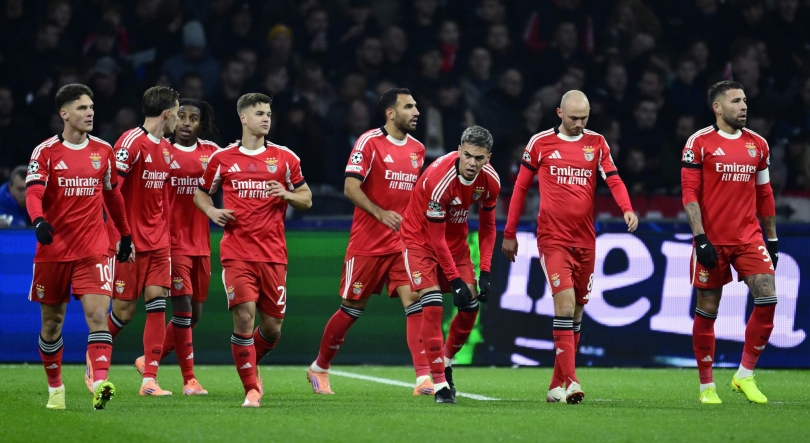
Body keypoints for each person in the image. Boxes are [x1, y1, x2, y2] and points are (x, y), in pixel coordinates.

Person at [502, 90, 637, 405]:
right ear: (559, 113)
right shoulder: (540, 143)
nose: (579, 123)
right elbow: (521, 187)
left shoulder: (597, 143)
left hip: (586, 241)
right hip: (553, 240)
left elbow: (614, 179)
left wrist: (626, 208)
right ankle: (573, 380)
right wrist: (510, 232)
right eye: (573, 118)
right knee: (564, 307)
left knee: (576, 313)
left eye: (584, 118)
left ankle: (554, 386)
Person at [306, 88, 429, 395]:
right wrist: (380, 213)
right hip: (368, 242)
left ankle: (423, 378)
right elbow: (350, 187)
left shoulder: (418, 149)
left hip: (402, 243)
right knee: (351, 308)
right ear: (390, 112)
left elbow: (414, 196)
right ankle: (319, 367)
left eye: (416, 107)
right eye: (409, 107)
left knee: (414, 301)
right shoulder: (369, 142)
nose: (416, 112)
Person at [194, 93, 312, 408]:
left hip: (273, 254)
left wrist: (287, 194)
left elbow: (307, 198)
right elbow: (201, 193)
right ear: (243, 118)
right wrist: (212, 212)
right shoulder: (222, 158)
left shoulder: (286, 158)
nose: (266, 118)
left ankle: (250, 359)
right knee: (244, 316)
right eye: (259, 113)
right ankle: (252, 390)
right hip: (237, 252)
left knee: (272, 329)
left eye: (269, 113)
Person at [25, 84, 133, 410]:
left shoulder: (103, 150)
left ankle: (99, 382)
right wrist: (38, 221)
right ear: (64, 113)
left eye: (91, 107)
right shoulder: (45, 152)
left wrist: (125, 235)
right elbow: (33, 193)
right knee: (52, 323)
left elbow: (113, 194)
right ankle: (56, 388)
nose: (90, 113)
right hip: (55, 250)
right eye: (82, 108)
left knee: (99, 314)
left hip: (94, 247)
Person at [681, 80, 777, 405]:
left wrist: (772, 238)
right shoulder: (699, 143)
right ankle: (707, 386)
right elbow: (689, 195)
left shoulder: (759, 146)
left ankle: (745, 375)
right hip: (712, 240)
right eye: (736, 101)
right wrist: (700, 238)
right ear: (718, 107)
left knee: (768, 298)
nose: (744, 106)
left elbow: (764, 194)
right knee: (708, 309)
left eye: (745, 100)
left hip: (748, 237)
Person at [400, 125, 499, 404]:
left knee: (470, 308)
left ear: (488, 158)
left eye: (479, 158)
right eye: (467, 155)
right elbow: (435, 237)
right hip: (420, 241)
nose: (472, 163)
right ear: (459, 150)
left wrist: (486, 272)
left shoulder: (490, 182)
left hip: (455, 244)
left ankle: (445, 361)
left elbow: (488, 227)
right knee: (432, 305)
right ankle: (440, 383)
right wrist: (455, 281)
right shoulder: (439, 179)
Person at [132, 99, 220, 395]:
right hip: (169, 241)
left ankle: (148, 359)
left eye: (193, 118)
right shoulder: (162, 150)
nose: (185, 122)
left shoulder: (212, 153)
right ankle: (189, 380)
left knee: (194, 314)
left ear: (200, 123)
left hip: (201, 243)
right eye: (181, 116)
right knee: (182, 307)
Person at [107, 86, 179, 396]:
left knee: (157, 303)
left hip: (158, 243)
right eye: (177, 112)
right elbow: (111, 190)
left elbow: (162, 198)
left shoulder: (166, 148)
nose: (178, 118)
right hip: (130, 242)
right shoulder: (130, 143)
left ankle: (149, 379)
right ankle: (92, 357)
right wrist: (121, 237)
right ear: (167, 113)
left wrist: (166, 235)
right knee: (124, 311)